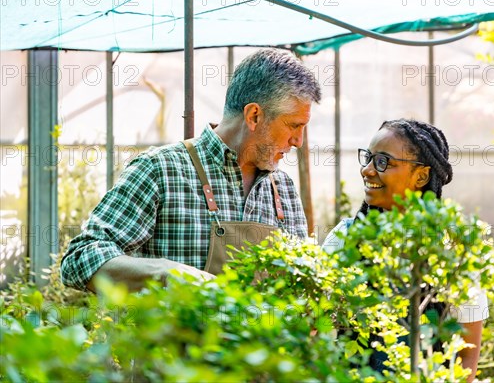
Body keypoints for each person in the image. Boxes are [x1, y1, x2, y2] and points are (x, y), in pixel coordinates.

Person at [61, 48, 321, 293]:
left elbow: (301, 285)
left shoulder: (283, 189)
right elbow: (80, 258)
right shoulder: (161, 170)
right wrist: (164, 274)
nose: (298, 141)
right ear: (253, 116)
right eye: (294, 126)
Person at [323, 119, 486, 382]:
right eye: (368, 158)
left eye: (383, 162)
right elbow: (319, 328)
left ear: (421, 176)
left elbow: (467, 354)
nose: (367, 170)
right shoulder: (344, 239)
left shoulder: (451, 249)